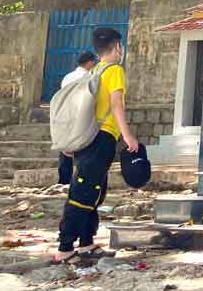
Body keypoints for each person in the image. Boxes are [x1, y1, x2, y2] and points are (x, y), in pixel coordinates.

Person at [53, 27, 139, 264]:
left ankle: (86, 243)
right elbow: (116, 104)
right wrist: (128, 135)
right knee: (83, 193)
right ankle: (64, 247)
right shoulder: (114, 71)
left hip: (87, 138)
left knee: (94, 191)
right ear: (118, 47)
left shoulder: (94, 71)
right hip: (101, 139)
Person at [57, 51, 99, 185]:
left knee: (66, 150)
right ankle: (81, 181)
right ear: (91, 62)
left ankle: (64, 181)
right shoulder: (89, 77)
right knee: (84, 150)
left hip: (66, 117)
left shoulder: (67, 77)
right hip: (82, 117)